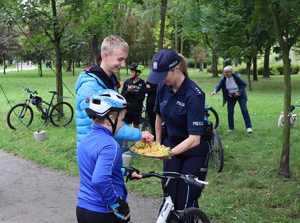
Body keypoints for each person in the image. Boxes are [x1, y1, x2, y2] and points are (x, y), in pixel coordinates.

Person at [148, 49, 210, 213]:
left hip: (194, 152)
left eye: (163, 75)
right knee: (169, 196)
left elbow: (194, 138)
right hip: (171, 146)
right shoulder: (163, 87)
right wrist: (159, 144)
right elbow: (158, 117)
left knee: (185, 201)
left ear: (175, 70)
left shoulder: (194, 95)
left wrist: (168, 153)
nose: (160, 80)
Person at [76, 89, 142, 223]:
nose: (122, 124)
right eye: (122, 119)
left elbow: (94, 168)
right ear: (111, 118)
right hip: (103, 212)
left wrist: (123, 171)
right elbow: (100, 179)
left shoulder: (85, 140)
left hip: (83, 208)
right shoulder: (110, 145)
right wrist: (117, 205)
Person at [75, 35, 153, 145]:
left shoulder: (109, 81)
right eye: (120, 59)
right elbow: (106, 124)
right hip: (95, 151)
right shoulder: (90, 87)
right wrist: (139, 134)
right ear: (105, 55)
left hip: (107, 147)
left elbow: (113, 118)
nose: (124, 64)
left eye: (124, 59)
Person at [211, 66, 253, 133]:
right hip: (230, 97)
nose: (226, 74)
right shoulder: (223, 79)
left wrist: (239, 92)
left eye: (227, 72)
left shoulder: (236, 77)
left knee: (244, 110)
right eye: (225, 72)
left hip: (240, 96)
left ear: (231, 72)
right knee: (230, 111)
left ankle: (249, 127)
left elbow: (243, 85)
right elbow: (219, 86)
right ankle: (231, 128)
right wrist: (215, 91)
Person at [121, 63, 146, 128]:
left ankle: (136, 137)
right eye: (131, 71)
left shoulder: (142, 83)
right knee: (126, 126)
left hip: (137, 110)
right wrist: (128, 91)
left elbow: (142, 97)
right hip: (127, 110)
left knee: (136, 127)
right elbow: (122, 96)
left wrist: (134, 91)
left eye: (132, 71)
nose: (131, 73)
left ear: (137, 73)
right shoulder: (127, 82)